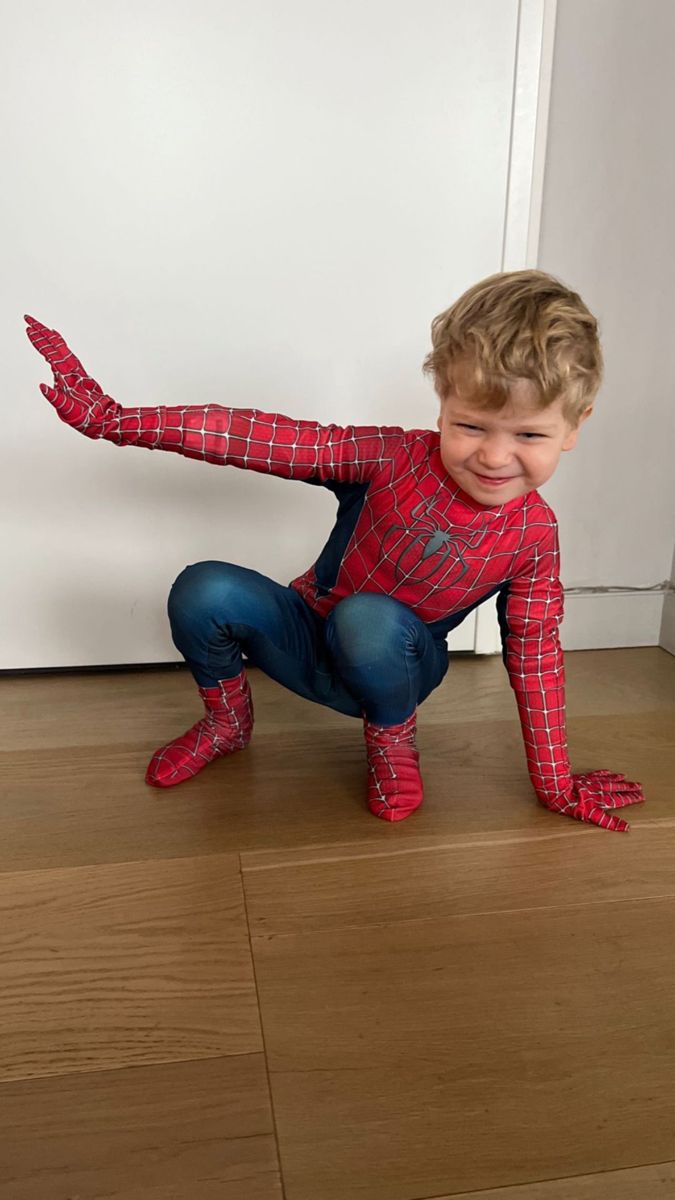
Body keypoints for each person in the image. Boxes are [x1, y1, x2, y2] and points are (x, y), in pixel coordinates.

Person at [24, 269, 645, 831]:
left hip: (392, 669)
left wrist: (556, 782)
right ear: (443, 402)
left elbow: (535, 658)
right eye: (471, 425)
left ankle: (392, 742)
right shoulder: (393, 457)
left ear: (576, 426)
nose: (494, 455)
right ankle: (227, 723)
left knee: (368, 618)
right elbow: (261, 439)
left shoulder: (533, 537)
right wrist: (116, 420)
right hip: (304, 635)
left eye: (529, 433)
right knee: (202, 587)